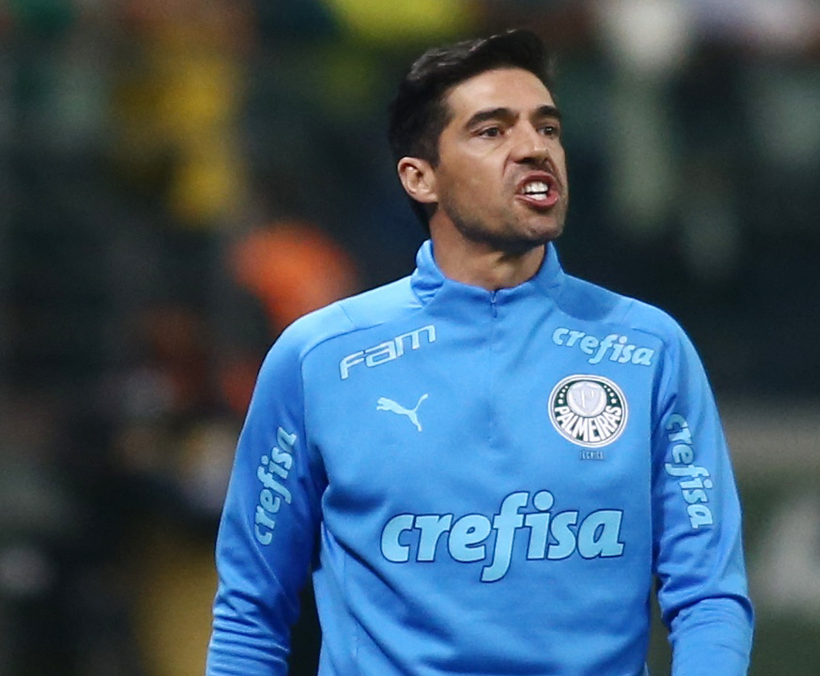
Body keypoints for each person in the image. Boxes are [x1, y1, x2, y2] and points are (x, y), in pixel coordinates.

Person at [206, 29, 753, 676]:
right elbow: (251, 612)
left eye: (547, 128)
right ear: (420, 178)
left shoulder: (647, 349)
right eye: (492, 131)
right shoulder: (319, 358)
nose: (534, 148)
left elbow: (708, 596)